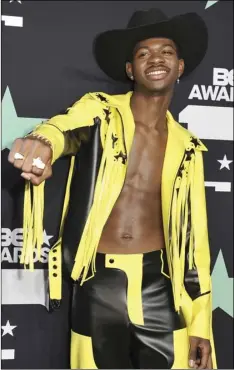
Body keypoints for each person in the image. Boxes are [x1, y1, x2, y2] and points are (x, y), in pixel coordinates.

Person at [8, 8, 217, 370]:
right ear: (130, 70)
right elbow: (64, 129)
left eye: (166, 51)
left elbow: (195, 240)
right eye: (143, 53)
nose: (155, 59)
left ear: (180, 67)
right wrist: (42, 140)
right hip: (99, 285)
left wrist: (201, 323)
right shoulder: (100, 111)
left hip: (163, 288)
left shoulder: (189, 148)